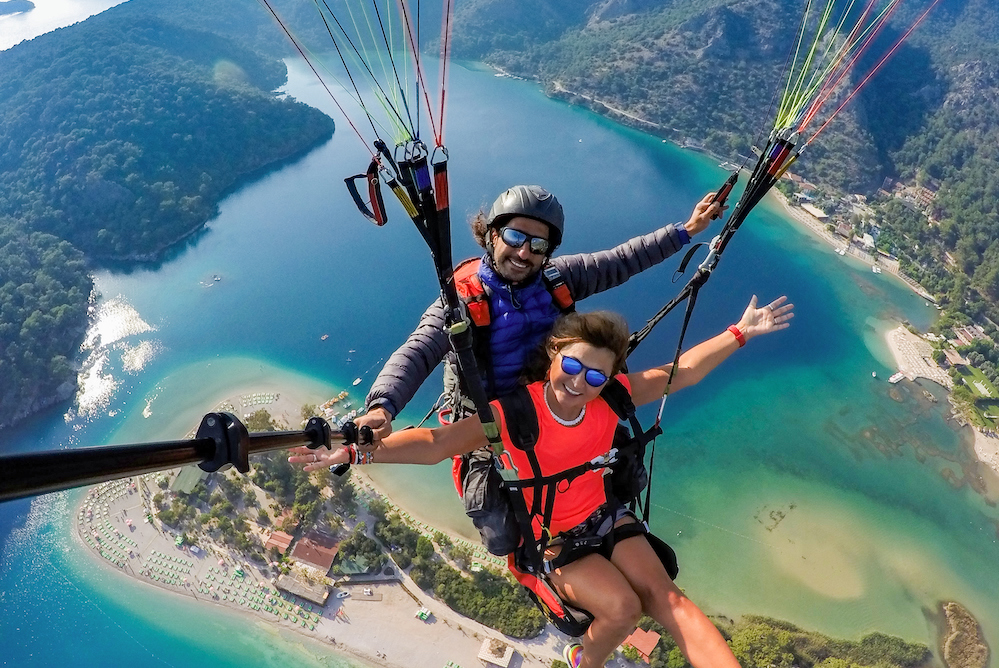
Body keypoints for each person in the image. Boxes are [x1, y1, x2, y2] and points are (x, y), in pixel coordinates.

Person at [292, 295, 793, 668]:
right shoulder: (515, 412)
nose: (579, 383)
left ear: (609, 378)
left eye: (595, 376)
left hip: (604, 515)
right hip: (551, 542)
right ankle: (584, 662)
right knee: (621, 609)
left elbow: (679, 373)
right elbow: (437, 443)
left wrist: (740, 333)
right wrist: (359, 451)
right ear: (554, 354)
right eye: (572, 366)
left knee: (667, 600)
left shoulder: (610, 397)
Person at [354, 184, 726, 441]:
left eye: (538, 244)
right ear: (491, 235)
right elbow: (419, 350)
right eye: (515, 237)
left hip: (557, 400)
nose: (524, 253)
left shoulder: (556, 277)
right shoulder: (462, 299)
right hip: (495, 421)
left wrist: (688, 229)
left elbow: (622, 260)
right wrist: (383, 406)